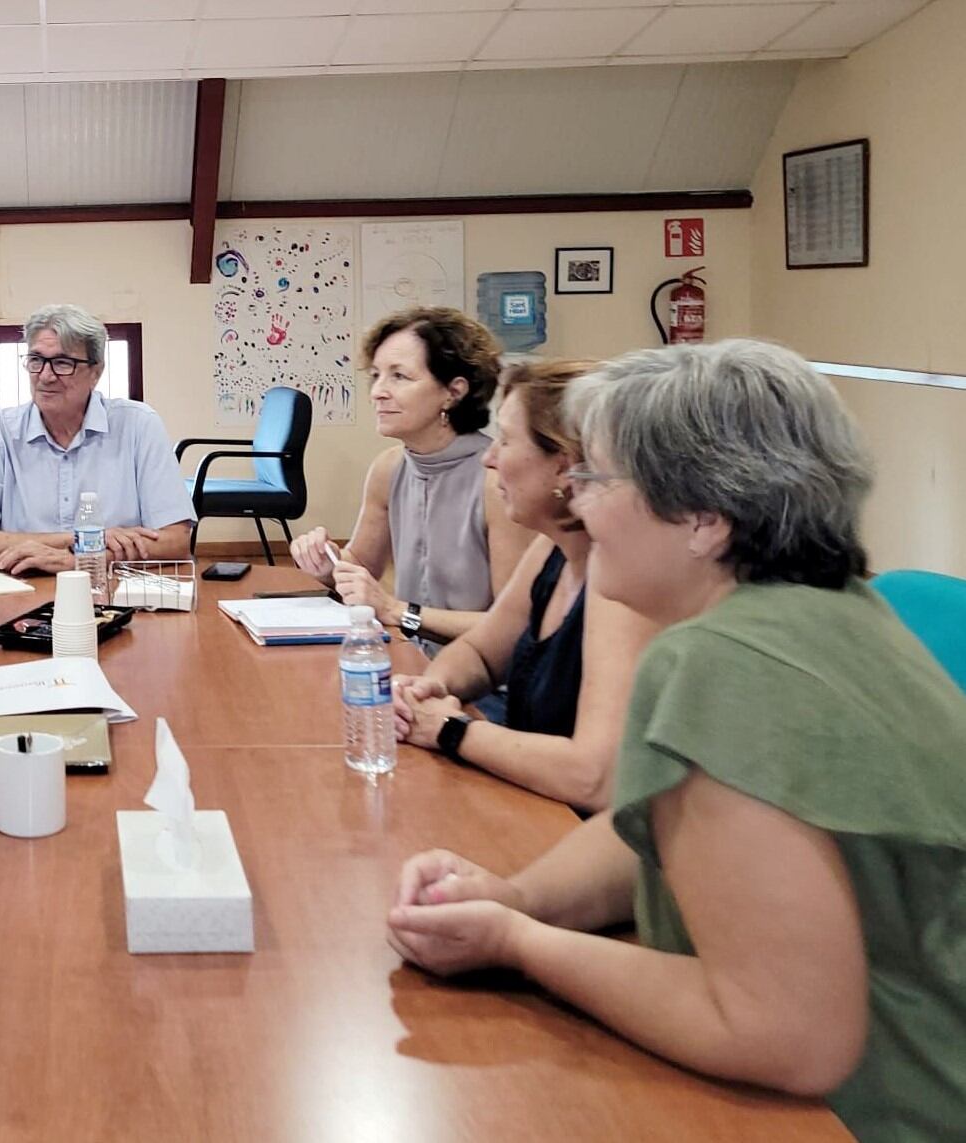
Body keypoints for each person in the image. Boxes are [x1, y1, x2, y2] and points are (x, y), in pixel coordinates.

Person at [386, 340, 966, 1142]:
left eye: (596, 478)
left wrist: (520, 943)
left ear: (703, 517)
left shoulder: (718, 661)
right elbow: (675, 829)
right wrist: (515, 895)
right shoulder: (841, 615)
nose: (577, 503)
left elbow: (784, 1035)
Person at [391, 360, 658, 812]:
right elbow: (480, 653)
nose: (489, 457)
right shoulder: (552, 549)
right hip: (536, 806)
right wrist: (429, 689)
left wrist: (451, 730)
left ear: (564, 466)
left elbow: (592, 776)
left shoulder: (621, 583)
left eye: (506, 440)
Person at [289, 308, 532, 649]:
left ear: (453, 391)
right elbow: (360, 565)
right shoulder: (387, 469)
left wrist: (396, 610)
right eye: (376, 376)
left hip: (484, 686)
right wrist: (326, 564)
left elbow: (513, 629)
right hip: (412, 662)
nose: (378, 391)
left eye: (399, 376)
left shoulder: (496, 481)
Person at [0, 304, 194, 575]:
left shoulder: (138, 425)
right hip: (19, 591)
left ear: (96, 372)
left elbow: (176, 541)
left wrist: (79, 562)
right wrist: (80, 540)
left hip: (110, 589)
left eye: (63, 363)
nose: (45, 376)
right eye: (36, 360)